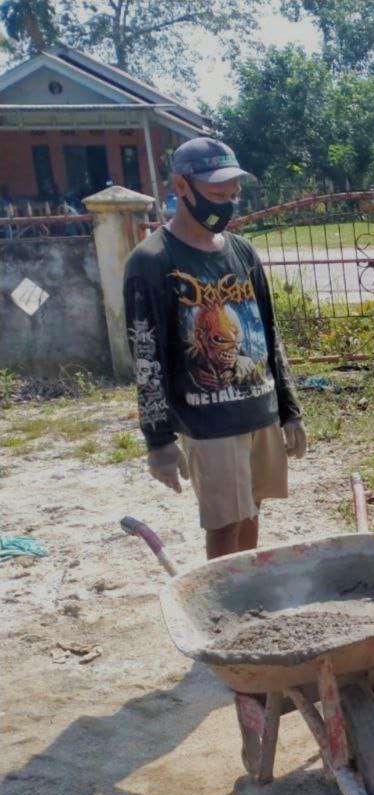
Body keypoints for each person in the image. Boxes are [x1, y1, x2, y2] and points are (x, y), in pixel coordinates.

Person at [124, 137, 306, 561]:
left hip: (257, 409)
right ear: (182, 187)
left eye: (233, 194)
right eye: (218, 194)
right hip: (208, 421)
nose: (228, 203)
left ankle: (247, 595)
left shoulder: (242, 251)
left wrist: (289, 408)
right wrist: (159, 442)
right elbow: (146, 356)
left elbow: (268, 331)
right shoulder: (152, 261)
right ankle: (225, 608)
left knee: (252, 512)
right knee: (223, 525)